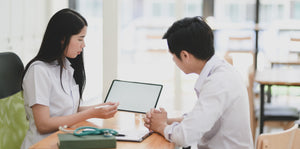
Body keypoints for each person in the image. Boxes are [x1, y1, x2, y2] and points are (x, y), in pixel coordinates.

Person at [143, 16, 254, 149]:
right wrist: (166, 121)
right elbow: (199, 119)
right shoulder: (219, 71)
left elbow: (184, 137)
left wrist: (161, 127)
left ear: (185, 55)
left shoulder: (218, 82)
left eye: (173, 56)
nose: (173, 60)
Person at [21, 8, 119, 149]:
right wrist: (92, 113)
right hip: (42, 144)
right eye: (80, 39)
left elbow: (67, 109)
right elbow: (43, 125)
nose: (83, 45)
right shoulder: (39, 71)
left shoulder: (65, 66)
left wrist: (100, 108)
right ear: (62, 38)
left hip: (64, 139)